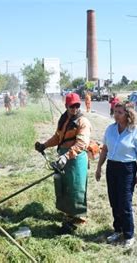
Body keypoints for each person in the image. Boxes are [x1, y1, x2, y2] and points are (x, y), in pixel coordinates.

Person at [34, 92, 91, 233]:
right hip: (63, 157)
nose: (75, 109)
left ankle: (79, 217)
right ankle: (68, 213)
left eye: (77, 105)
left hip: (76, 159)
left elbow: (82, 143)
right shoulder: (64, 119)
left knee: (76, 187)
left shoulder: (82, 122)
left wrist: (67, 156)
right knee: (64, 186)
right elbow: (58, 137)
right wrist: (44, 145)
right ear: (66, 106)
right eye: (72, 106)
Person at [95, 102, 137, 248]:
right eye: (114, 112)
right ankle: (118, 229)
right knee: (114, 201)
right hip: (112, 167)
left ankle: (129, 235)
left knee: (124, 203)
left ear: (128, 114)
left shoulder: (135, 131)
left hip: (127, 168)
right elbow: (104, 149)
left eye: (119, 112)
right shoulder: (110, 129)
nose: (116, 115)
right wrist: (99, 168)